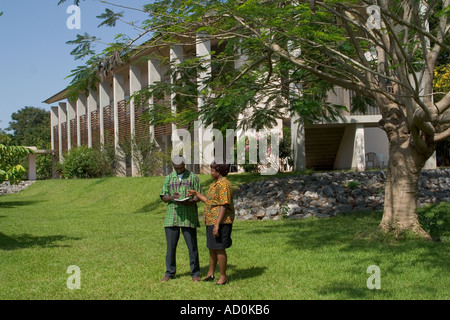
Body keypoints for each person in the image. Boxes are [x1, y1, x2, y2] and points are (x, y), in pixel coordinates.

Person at [188, 159, 235, 285]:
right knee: (212, 248)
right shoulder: (215, 184)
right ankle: (210, 273)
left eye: (212, 170)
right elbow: (209, 201)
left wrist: (217, 225)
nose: (210, 172)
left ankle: (223, 276)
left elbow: (223, 206)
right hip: (211, 221)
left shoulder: (224, 185)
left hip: (221, 222)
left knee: (219, 249)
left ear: (219, 171)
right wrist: (196, 193)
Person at [160, 155, 202, 282]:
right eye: (177, 168)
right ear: (173, 166)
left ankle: (195, 273)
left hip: (188, 216)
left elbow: (198, 196)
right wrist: (173, 198)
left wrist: (189, 202)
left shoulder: (193, 177)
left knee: (192, 247)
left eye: (181, 167)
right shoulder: (168, 178)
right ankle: (169, 272)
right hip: (172, 216)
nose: (179, 170)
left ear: (185, 165)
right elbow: (163, 196)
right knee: (171, 247)